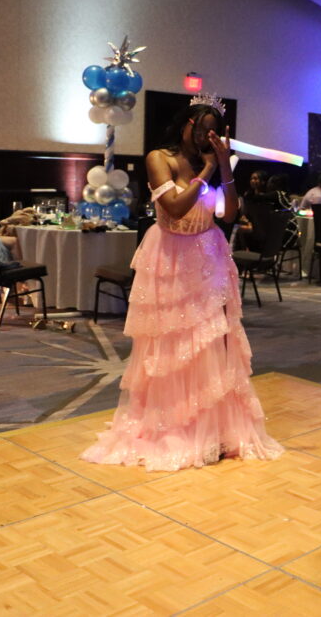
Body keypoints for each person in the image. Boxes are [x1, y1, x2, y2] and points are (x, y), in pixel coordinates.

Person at [81, 102, 283, 470]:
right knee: (173, 341)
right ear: (188, 125)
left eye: (215, 132)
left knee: (212, 339)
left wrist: (224, 166)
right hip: (170, 255)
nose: (209, 137)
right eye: (204, 129)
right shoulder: (160, 158)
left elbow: (231, 213)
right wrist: (207, 169)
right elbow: (174, 207)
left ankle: (215, 428)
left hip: (209, 254)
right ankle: (173, 423)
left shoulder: (215, 165)